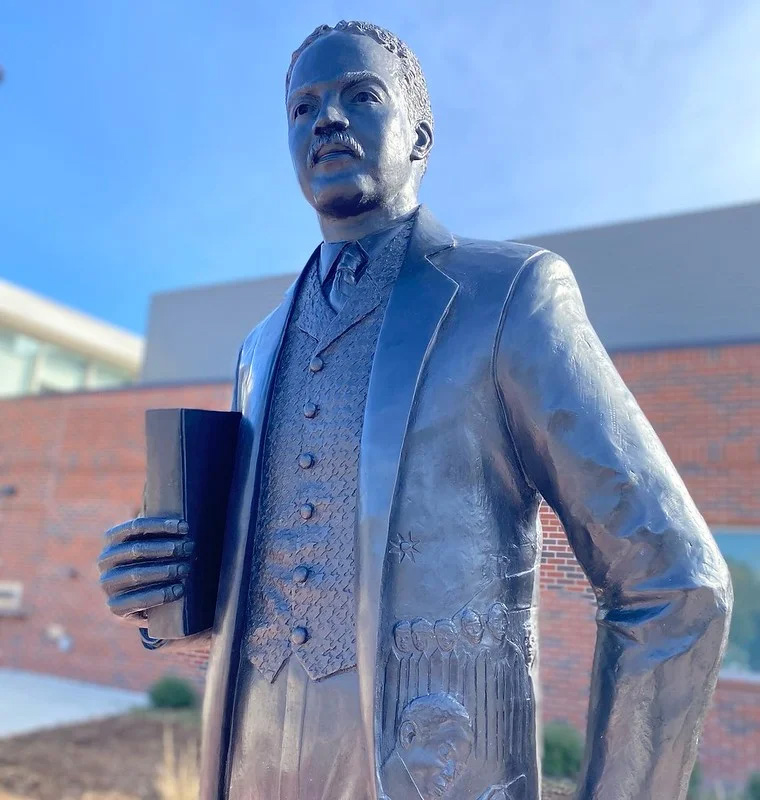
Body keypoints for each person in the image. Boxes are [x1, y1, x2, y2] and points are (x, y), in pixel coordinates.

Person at [97, 20, 732, 800]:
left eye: (359, 96)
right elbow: (277, 576)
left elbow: (674, 582)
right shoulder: (257, 351)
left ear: (419, 137)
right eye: (303, 108)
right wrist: (161, 581)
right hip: (248, 763)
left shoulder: (509, 297)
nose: (326, 119)